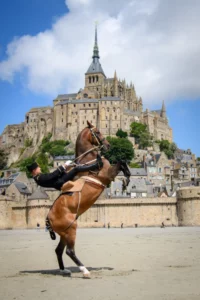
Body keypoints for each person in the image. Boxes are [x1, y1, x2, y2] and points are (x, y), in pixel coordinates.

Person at [27, 155, 103, 191]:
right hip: (60, 182)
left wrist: (65, 168)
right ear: (34, 171)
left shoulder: (38, 177)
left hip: (60, 180)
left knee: (74, 167)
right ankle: (96, 165)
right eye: (38, 168)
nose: (40, 168)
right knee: (76, 169)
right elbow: (52, 176)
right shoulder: (39, 178)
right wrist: (63, 166)